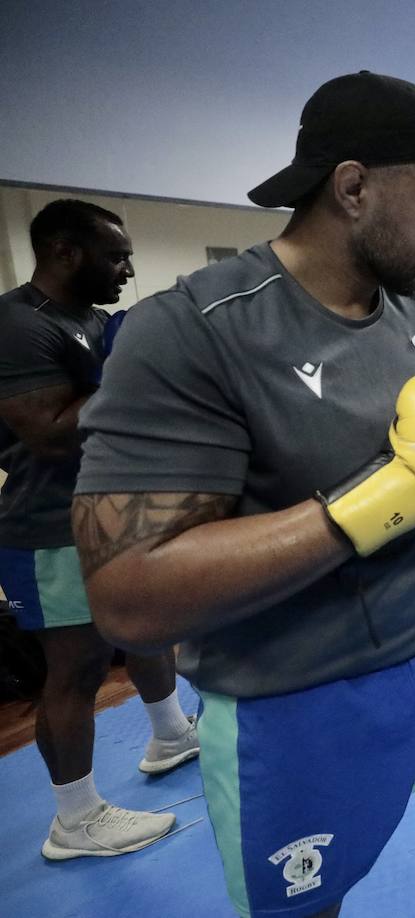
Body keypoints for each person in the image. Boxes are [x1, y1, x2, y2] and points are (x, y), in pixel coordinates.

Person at [71, 72, 415, 916]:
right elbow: (128, 598)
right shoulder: (192, 330)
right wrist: (392, 495)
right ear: (352, 188)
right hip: (295, 695)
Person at [0, 198, 199, 861]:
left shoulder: (87, 320)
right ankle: (75, 821)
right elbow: (51, 434)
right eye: (115, 256)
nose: (127, 268)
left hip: (111, 512)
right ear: (64, 252)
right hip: (52, 527)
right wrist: (131, 368)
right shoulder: (20, 324)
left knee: (144, 626)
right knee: (76, 672)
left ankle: (170, 735)